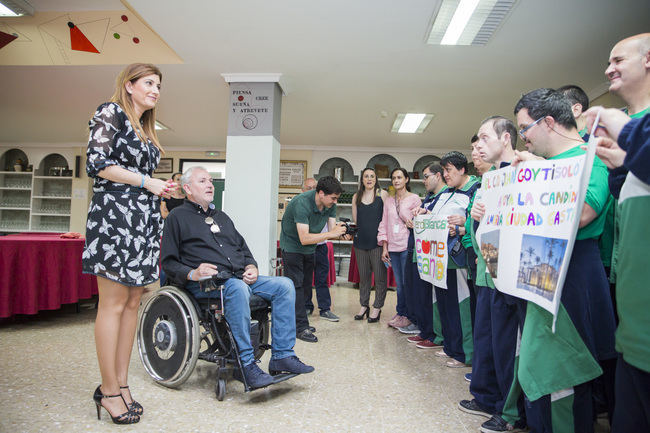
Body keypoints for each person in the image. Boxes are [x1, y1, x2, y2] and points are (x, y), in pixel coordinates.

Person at [513, 88, 617, 433]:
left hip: (573, 277)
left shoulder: (590, 157)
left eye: (525, 128)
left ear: (549, 123)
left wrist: (541, 175)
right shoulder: (537, 165)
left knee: (564, 374)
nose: (523, 138)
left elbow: (584, 212)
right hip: (539, 271)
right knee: (539, 366)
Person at [161, 166, 314, 389]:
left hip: (237, 278)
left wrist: (251, 265)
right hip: (206, 284)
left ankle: (282, 355)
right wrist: (193, 273)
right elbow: (169, 262)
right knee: (236, 288)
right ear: (187, 188)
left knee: (285, 285)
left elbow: (243, 248)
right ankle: (246, 364)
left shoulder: (221, 217)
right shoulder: (177, 217)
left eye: (211, 181)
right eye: (203, 181)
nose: (210, 185)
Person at [83, 63, 174, 424]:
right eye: (149, 83)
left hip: (141, 221)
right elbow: (97, 163)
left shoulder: (145, 128)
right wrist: (146, 182)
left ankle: (121, 384)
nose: (155, 90)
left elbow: (142, 179)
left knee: (134, 300)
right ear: (129, 85)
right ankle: (107, 390)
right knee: (114, 302)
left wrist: (158, 188)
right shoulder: (110, 112)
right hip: (113, 218)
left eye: (158, 85)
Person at [583, 106, 650, 433]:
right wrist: (622, 167)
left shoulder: (635, 130)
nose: (610, 68)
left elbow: (585, 214)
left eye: (619, 59)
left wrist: (626, 130)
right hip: (634, 325)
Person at [463, 117, 527, 433]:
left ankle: (511, 410)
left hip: (512, 275)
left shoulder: (523, 171)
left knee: (508, 345)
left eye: (485, 138)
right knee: (489, 339)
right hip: (489, 269)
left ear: (505, 138)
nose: (479, 146)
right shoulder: (490, 179)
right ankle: (491, 398)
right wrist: (476, 219)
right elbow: (485, 230)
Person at [280, 176, 349, 342]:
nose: (335, 201)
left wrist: (341, 232)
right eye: (332, 198)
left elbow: (332, 230)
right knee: (295, 287)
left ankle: (301, 322)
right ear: (320, 193)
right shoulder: (301, 203)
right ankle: (300, 328)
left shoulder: (330, 204)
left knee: (305, 286)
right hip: (292, 247)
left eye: (336, 198)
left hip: (311, 248)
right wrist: (331, 234)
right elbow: (303, 238)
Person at [428, 151, 480, 368]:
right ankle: (450, 346)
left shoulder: (475, 190)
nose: (445, 175)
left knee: (461, 305)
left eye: (448, 170)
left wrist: (462, 225)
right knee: (445, 304)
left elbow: (477, 221)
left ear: (461, 169)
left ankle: (464, 353)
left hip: (457, 256)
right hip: (439, 257)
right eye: (443, 170)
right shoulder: (447, 192)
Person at [404, 163, 446, 348]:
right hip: (420, 252)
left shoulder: (446, 197)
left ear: (438, 175)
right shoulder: (429, 197)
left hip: (435, 255)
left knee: (432, 298)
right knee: (419, 294)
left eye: (426, 176)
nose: (424, 180)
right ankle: (425, 331)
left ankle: (435, 335)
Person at [377, 168, 422, 331]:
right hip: (393, 247)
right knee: (399, 285)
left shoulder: (414, 198)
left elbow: (418, 221)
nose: (396, 181)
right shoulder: (389, 200)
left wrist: (409, 218)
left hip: (407, 246)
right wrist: (384, 247)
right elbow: (384, 223)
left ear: (406, 180)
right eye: (394, 178)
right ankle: (401, 313)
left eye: (399, 177)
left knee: (407, 283)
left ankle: (410, 316)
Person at [351, 168, 389, 322]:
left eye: (372, 176)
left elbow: (388, 218)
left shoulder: (382, 194)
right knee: (364, 278)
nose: (369, 179)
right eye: (366, 176)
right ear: (362, 179)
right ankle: (364, 305)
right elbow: (356, 221)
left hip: (377, 243)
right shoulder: (356, 196)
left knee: (380, 278)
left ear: (376, 179)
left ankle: (377, 308)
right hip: (360, 243)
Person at [301, 178, 339, 322]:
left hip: (321, 246)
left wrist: (341, 230)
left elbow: (332, 227)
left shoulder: (327, 205)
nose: (312, 190)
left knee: (322, 279)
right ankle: (306, 306)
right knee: (305, 279)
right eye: (309, 188)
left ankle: (325, 309)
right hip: (306, 247)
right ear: (303, 191)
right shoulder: (303, 205)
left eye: (314, 187)